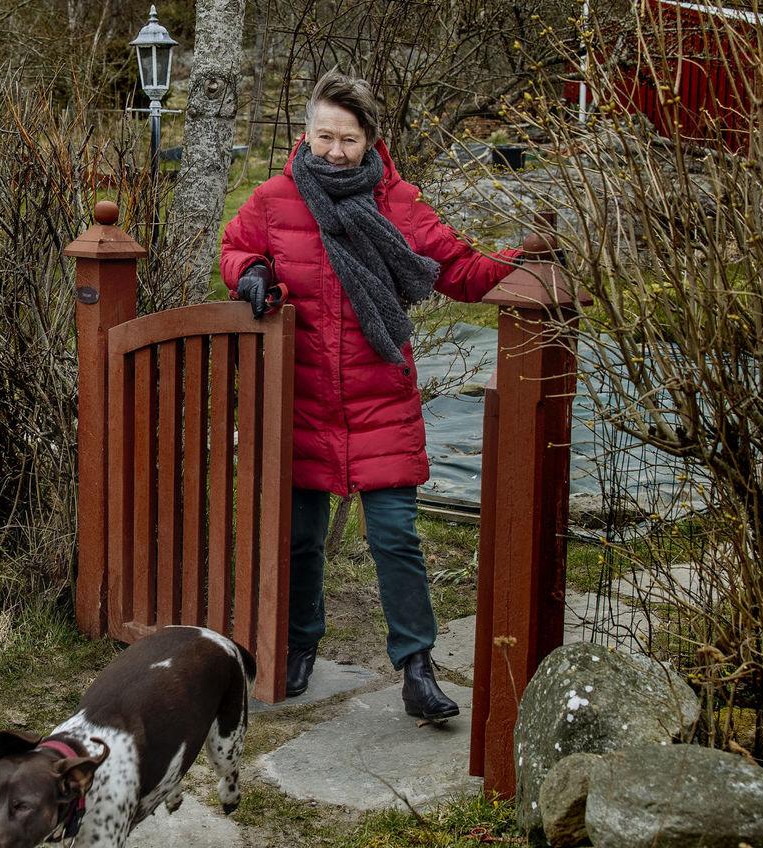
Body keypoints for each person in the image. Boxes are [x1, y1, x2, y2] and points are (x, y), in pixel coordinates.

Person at [218, 69, 553, 722]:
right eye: (324, 137)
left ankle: (417, 667)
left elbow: (454, 267)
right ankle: (297, 647)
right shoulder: (275, 197)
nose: (335, 151)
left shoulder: (398, 200)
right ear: (305, 134)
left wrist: (521, 258)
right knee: (300, 540)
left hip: (380, 398)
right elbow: (236, 248)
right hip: (302, 398)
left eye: (348, 139)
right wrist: (253, 274)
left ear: (370, 138)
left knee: (397, 537)